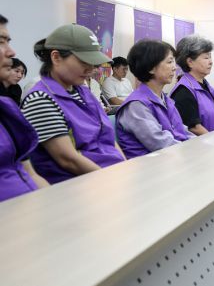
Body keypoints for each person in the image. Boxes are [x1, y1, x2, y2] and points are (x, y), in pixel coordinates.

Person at [21, 24, 125, 184]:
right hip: (79, 185)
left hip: (109, 176)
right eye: (84, 62)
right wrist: (112, 181)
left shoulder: (83, 92)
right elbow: (69, 160)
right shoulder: (40, 99)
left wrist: (126, 169)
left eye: (93, 63)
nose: (90, 69)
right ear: (56, 57)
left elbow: (109, 141)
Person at [116, 40, 193, 159]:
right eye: (169, 62)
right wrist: (194, 151)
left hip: (172, 161)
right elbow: (161, 143)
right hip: (150, 171)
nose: (174, 68)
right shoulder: (136, 106)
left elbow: (182, 131)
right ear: (151, 68)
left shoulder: (165, 99)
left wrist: (201, 145)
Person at [0, 14, 48, 201]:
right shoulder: (40, 96)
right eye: (1, 41)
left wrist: (53, 204)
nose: (11, 52)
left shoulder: (6, 108)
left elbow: (30, 173)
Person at [171, 35, 214, 135]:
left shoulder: (205, 84)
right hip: (204, 147)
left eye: (210, 56)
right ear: (190, 62)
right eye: (206, 57)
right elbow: (193, 127)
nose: (211, 62)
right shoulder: (183, 91)